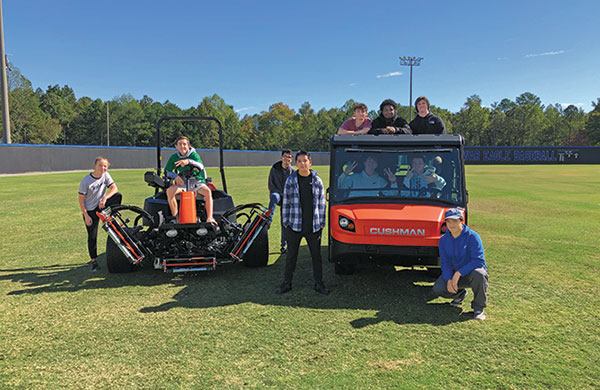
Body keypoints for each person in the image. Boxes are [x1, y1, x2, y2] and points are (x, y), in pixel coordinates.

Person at [276, 150, 329, 295]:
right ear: (296, 163)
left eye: (305, 161)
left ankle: (319, 284)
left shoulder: (317, 180)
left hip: (314, 226)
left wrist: (321, 223)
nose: (302, 163)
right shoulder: (291, 180)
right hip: (294, 225)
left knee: (316, 257)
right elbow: (286, 202)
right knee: (291, 256)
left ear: (310, 163)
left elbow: (322, 203)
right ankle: (287, 283)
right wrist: (286, 223)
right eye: (299, 161)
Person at [432, 208, 489, 320]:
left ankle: (478, 308)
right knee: (438, 288)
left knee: (480, 274)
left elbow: (478, 261)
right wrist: (449, 279)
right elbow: (445, 263)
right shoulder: (443, 240)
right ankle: (459, 294)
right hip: (454, 275)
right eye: (448, 221)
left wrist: (458, 274)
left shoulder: (473, 237)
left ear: (461, 221)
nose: (451, 224)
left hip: (471, 273)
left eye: (455, 221)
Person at [78, 156, 122, 271]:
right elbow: (81, 199)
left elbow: (114, 188)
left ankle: (112, 216)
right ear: (94, 166)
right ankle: (94, 261)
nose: (103, 168)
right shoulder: (86, 181)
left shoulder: (106, 175)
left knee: (118, 196)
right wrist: (86, 215)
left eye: (105, 166)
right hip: (90, 211)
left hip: (101, 206)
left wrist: (105, 198)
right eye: (101, 165)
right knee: (92, 236)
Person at [165, 136, 215, 224]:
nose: (182, 146)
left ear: (188, 146)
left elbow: (200, 166)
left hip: (196, 181)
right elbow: (167, 171)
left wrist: (189, 161)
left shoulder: (193, 155)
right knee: (169, 191)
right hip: (183, 182)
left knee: (207, 192)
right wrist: (175, 176)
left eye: (184, 144)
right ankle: (176, 218)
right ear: (176, 146)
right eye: (180, 144)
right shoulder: (174, 157)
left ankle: (210, 217)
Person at [267, 149, 294, 254]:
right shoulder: (274, 169)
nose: (287, 159)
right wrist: (277, 193)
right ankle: (268, 219)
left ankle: (283, 246)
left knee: (285, 223)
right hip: (277, 193)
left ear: (291, 160)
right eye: (285, 156)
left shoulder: (293, 172)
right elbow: (271, 185)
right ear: (281, 157)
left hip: (287, 199)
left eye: (289, 157)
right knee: (274, 197)